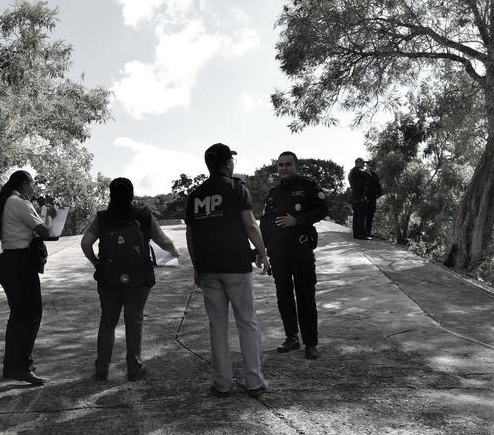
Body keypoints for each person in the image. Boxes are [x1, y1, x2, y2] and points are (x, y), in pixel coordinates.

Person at [185, 143, 270, 397]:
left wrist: (196, 266)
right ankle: (254, 381)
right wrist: (263, 253)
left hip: (209, 268)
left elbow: (191, 235)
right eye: (230, 160)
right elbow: (250, 225)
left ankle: (223, 383)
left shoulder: (196, 195)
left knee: (217, 326)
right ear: (226, 164)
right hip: (235, 266)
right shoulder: (236, 187)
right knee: (247, 322)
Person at [81, 177, 179, 382]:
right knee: (134, 321)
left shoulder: (102, 218)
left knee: (107, 321)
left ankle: (101, 369)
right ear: (132, 195)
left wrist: (97, 263)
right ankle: (134, 368)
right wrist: (174, 251)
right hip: (139, 277)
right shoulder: (143, 216)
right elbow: (162, 240)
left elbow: (85, 243)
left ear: (111, 195)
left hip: (108, 278)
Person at [259, 151, 328, 360]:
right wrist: (261, 251)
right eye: (280, 165)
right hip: (279, 253)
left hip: (301, 250)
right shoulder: (273, 192)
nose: (283, 168)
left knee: (305, 297)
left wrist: (297, 221)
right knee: (284, 296)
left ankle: (311, 343)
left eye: (288, 164)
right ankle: (292, 338)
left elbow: (322, 209)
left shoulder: (308, 186)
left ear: (295, 165)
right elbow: (265, 223)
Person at [0, 170, 56, 385]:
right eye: (32, 184)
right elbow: (46, 232)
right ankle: (22, 367)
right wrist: (50, 216)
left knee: (18, 317)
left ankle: (12, 366)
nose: (33, 188)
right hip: (20, 263)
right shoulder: (20, 202)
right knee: (31, 316)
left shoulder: (8, 201)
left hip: (9, 261)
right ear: (24, 184)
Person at [348, 157, 373, 240]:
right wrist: (368, 169)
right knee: (361, 216)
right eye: (362, 163)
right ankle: (361, 234)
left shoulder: (353, 172)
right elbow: (368, 175)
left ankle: (357, 234)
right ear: (358, 163)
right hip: (359, 196)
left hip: (355, 196)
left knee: (357, 216)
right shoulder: (356, 171)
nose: (363, 165)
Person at [364, 159, 383, 239]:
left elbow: (379, 187)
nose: (370, 167)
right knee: (363, 215)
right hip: (364, 197)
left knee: (370, 216)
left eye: (372, 165)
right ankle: (361, 231)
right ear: (367, 166)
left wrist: (377, 195)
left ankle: (368, 232)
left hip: (372, 198)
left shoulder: (375, 175)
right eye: (369, 165)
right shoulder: (363, 174)